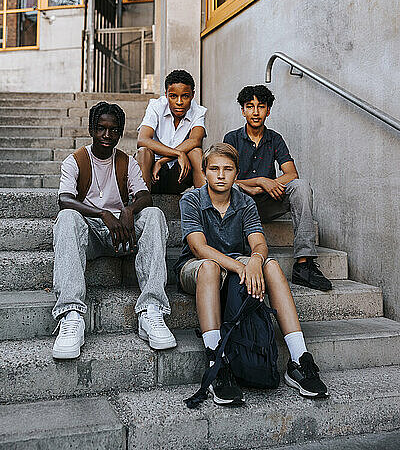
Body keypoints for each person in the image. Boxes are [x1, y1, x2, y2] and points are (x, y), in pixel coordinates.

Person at [175, 143, 328, 406]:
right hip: (197, 268)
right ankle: (216, 361)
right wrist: (241, 267)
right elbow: (199, 248)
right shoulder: (191, 199)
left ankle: (299, 359)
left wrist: (256, 260)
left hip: (237, 264)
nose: (220, 175)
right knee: (211, 267)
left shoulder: (245, 201)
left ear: (237, 174)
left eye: (227, 169)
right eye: (214, 169)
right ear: (205, 172)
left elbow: (259, 244)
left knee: (271, 265)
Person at [52, 101, 176, 360]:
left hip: (122, 234)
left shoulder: (127, 162)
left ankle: (151, 310)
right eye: (101, 129)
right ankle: (71, 314)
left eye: (113, 130)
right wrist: (102, 213)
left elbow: (144, 195)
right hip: (92, 234)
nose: (107, 136)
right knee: (67, 218)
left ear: (120, 132)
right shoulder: (75, 161)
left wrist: (129, 211)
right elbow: (64, 199)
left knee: (153, 215)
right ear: (91, 129)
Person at [223, 85, 332, 292]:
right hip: (241, 205)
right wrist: (258, 182)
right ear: (242, 110)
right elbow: (225, 179)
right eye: (250, 106)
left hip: (268, 203)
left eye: (261, 107)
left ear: (268, 110)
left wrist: (265, 184)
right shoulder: (232, 139)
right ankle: (237, 256)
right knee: (232, 191)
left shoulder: (275, 138)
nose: (256, 112)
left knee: (301, 187)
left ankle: (304, 265)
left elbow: (292, 174)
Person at [136, 69, 206, 193]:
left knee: (196, 152)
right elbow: (142, 140)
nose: (179, 102)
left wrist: (163, 160)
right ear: (166, 94)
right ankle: (143, 203)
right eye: (173, 96)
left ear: (192, 95)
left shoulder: (198, 111)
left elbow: (195, 140)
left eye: (185, 96)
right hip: (151, 173)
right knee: (143, 152)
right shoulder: (156, 106)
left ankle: (205, 205)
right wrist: (178, 153)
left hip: (179, 174)